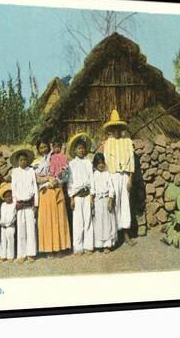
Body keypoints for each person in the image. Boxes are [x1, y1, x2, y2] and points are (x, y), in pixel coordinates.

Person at [102, 109, 137, 246]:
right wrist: (108, 181)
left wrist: (130, 178)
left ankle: (126, 233)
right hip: (113, 175)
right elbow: (105, 162)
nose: (116, 131)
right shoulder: (107, 143)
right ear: (110, 130)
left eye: (118, 129)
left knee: (125, 203)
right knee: (114, 203)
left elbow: (132, 161)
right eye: (113, 129)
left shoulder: (127, 142)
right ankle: (115, 235)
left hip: (124, 175)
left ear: (121, 129)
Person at [33, 140, 71, 256]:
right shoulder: (37, 162)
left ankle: (60, 247)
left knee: (58, 219)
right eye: (41, 148)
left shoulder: (57, 158)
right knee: (47, 221)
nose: (44, 150)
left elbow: (65, 175)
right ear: (38, 149)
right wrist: (48, 179)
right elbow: (36, 179)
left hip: (57, 189)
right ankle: (48, 249)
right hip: (45, 193)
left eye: (45, 147)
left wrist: (57, 180)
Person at [66, 133, 95, 255]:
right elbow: (70, 182)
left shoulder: (89, 162)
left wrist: (92, 195)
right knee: (78, 222)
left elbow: (92, 179)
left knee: (88, 220)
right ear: (75, 150)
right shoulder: (71, 164)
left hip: (87, 194)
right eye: (79, 148)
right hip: (77, 195)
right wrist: (71, 197)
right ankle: (78, 247)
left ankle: (88, 246)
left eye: (83, 148)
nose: (81, 150)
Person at [11, 149, 39, 263]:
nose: (23, 162)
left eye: (25, 160)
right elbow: (13, 189)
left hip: (29, 203)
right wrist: (15, 204)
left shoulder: (31, 171)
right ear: (18, 161)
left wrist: (35, 204)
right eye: (21, 160)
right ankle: (21, 254)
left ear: (28, 161)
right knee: (21, 229)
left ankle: (31, 253)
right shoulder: (15, 172)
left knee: (31, 229)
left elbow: (35, 188)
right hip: (19, 203)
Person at [92, 153, 117, 253]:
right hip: (98, 200)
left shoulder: (107, 174)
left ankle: (108, 244)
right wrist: (92, 200)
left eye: (102, 163)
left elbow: (111, 187)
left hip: (106, 200)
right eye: (98, 163)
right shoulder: (93, 175)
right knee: (99, 222)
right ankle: (99, 244)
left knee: (107, 222)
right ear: (95, 164)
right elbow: (92, 189)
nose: (101, 165)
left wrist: (111, 200)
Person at [0, 184, 16, 262]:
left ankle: (10, 256)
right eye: (6, 197)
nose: (8, 198)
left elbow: (12, 216)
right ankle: (3, 255)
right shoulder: (3, 205)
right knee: (3, 241)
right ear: (4, 198)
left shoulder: (13, 204)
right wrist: (2, 223)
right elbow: (2, 215)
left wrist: (8, 224)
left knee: (10, 241)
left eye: (9, 196)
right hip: (3, 226)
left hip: (10, 226)